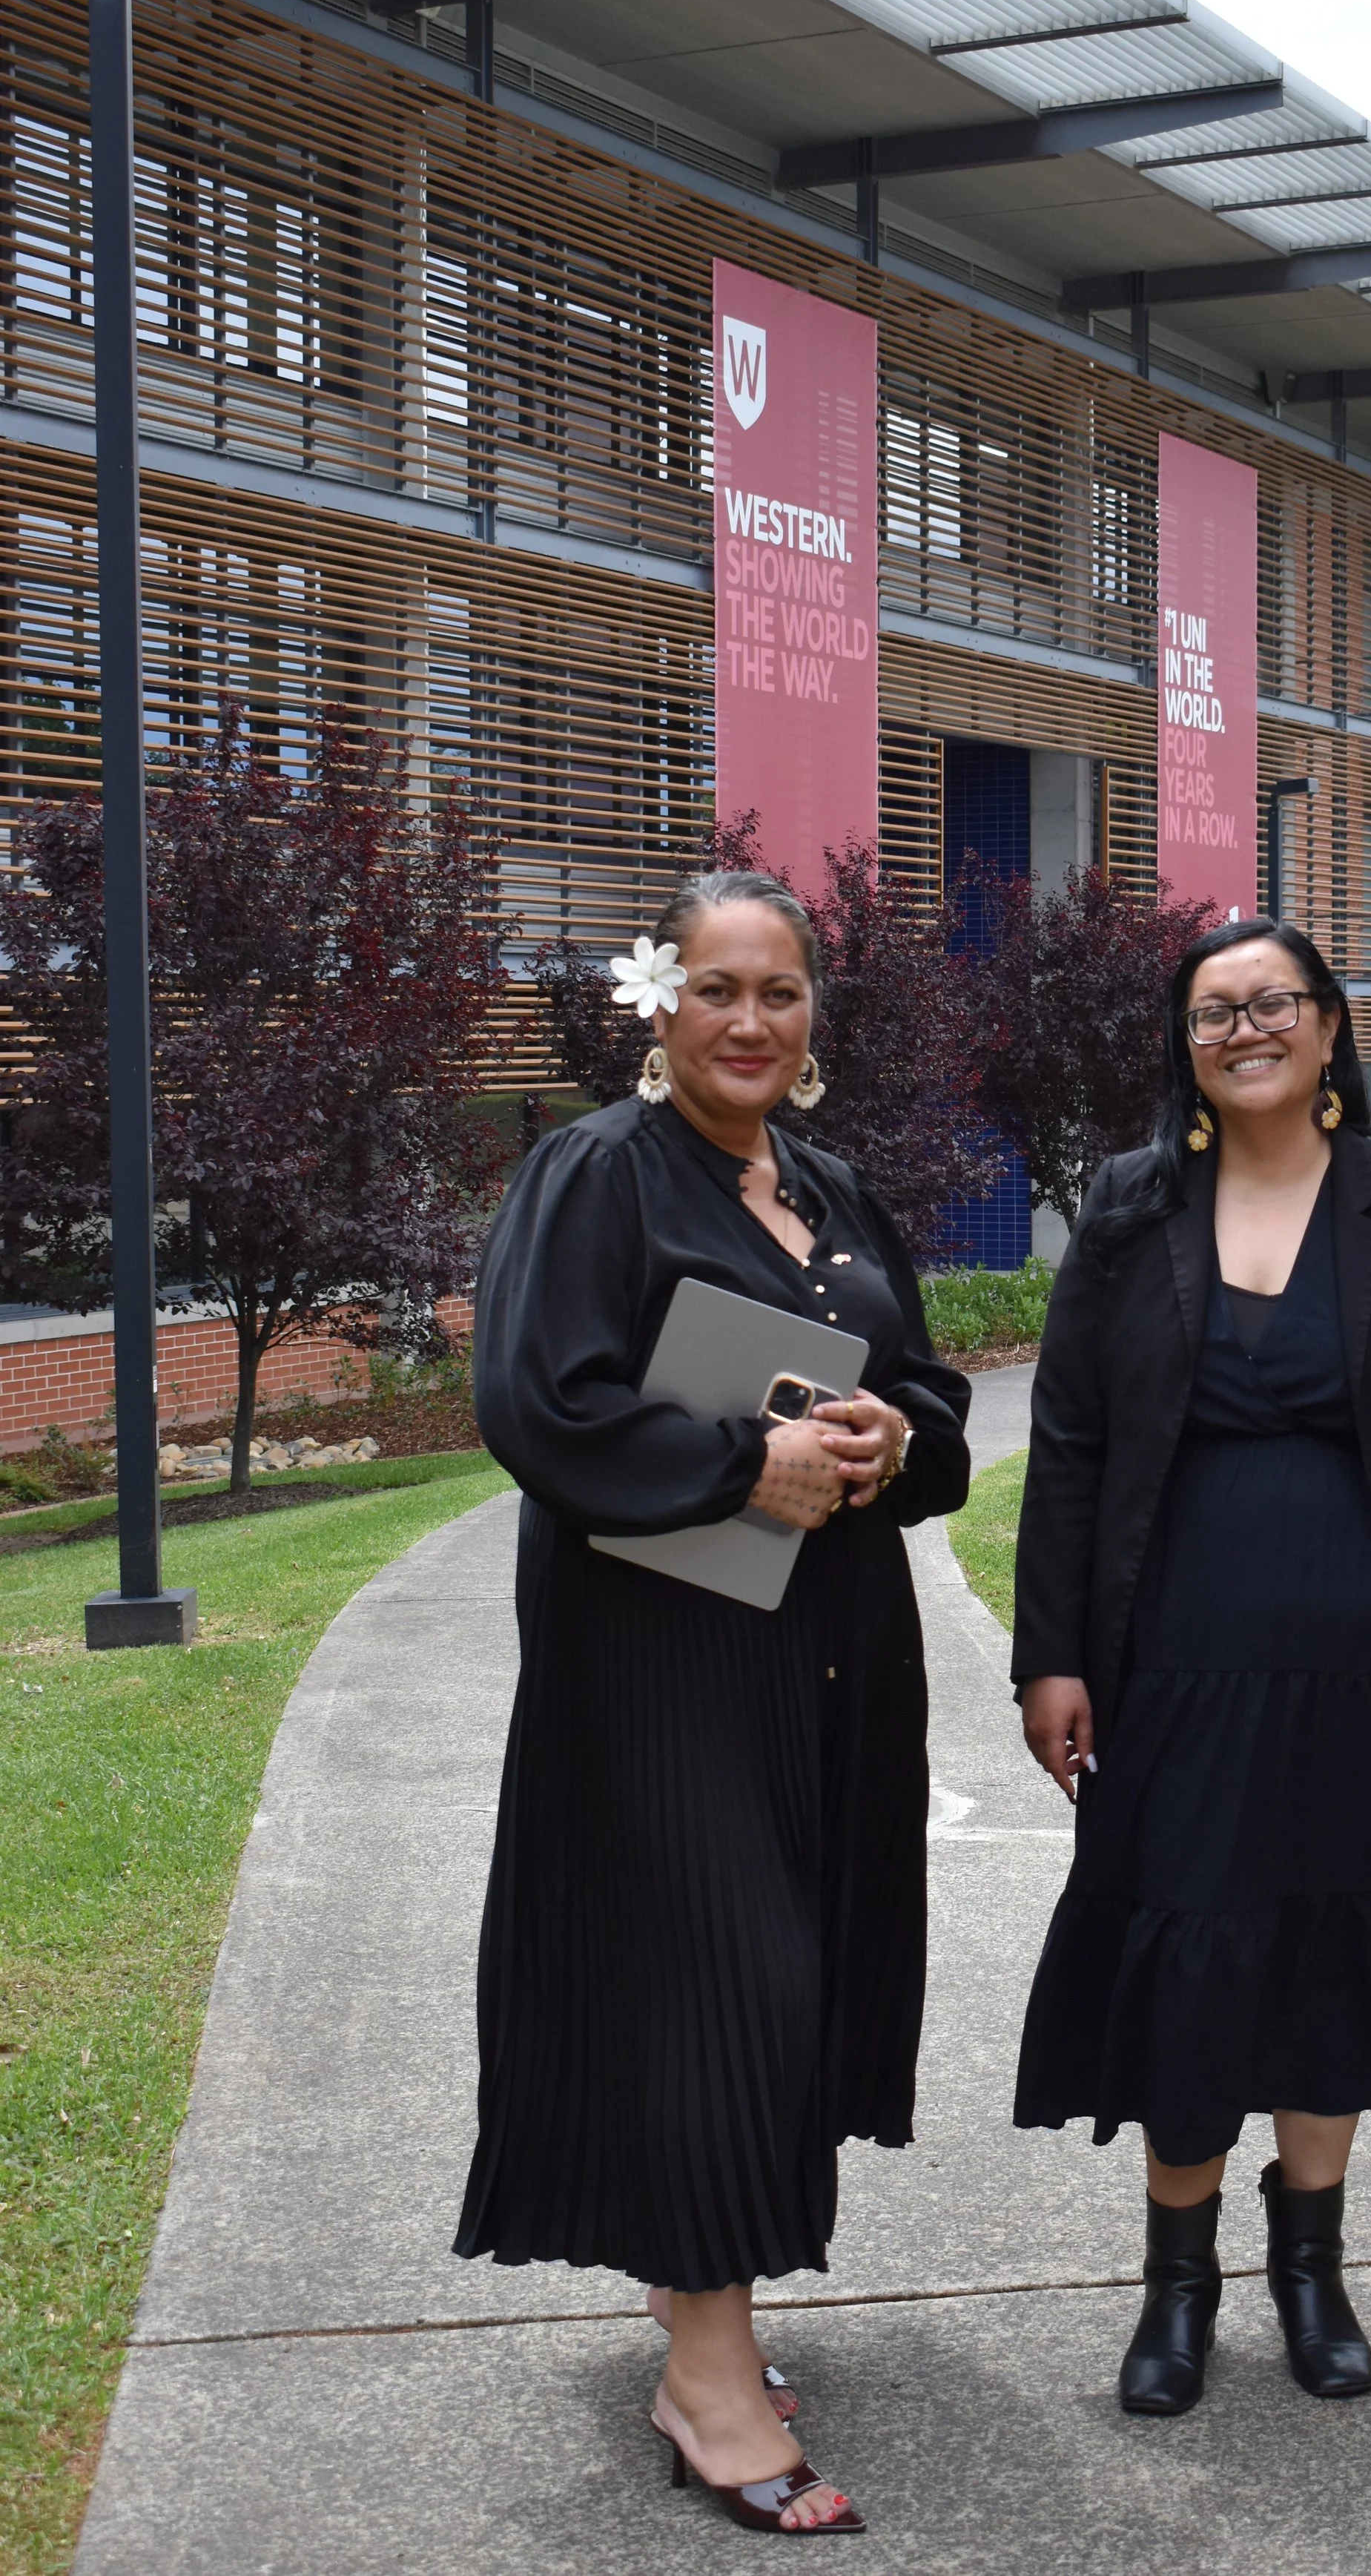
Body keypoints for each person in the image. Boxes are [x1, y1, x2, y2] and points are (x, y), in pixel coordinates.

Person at [455, 868, 971, 2534]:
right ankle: (706, 2380)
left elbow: (930, 1392)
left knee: (798, 1971)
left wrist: (895, 1440)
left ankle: (706, 2309)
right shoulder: (592, 1175)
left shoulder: (827, 1186)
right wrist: (740, 1461)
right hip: (662, 1668)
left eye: (779, 991)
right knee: (721, 1982)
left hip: (829, 1661)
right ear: (656, 1003)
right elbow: (541, 1405)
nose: (748, 1020)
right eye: (715, 988)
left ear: (811, 1014)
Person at [1011, 916, 1371, 2418]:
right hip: (1177, 1663)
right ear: (1183, 1049)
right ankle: (1173, 2293)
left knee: (1328, 1955)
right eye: (1210, 1012)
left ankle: (1309, 2273)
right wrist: (1046, 1657)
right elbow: (1064, 1449)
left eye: (1271, 1003)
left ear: (1329, 1031)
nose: (1241, 1028)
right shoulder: (1130, 1210)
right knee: (1191, 1952)